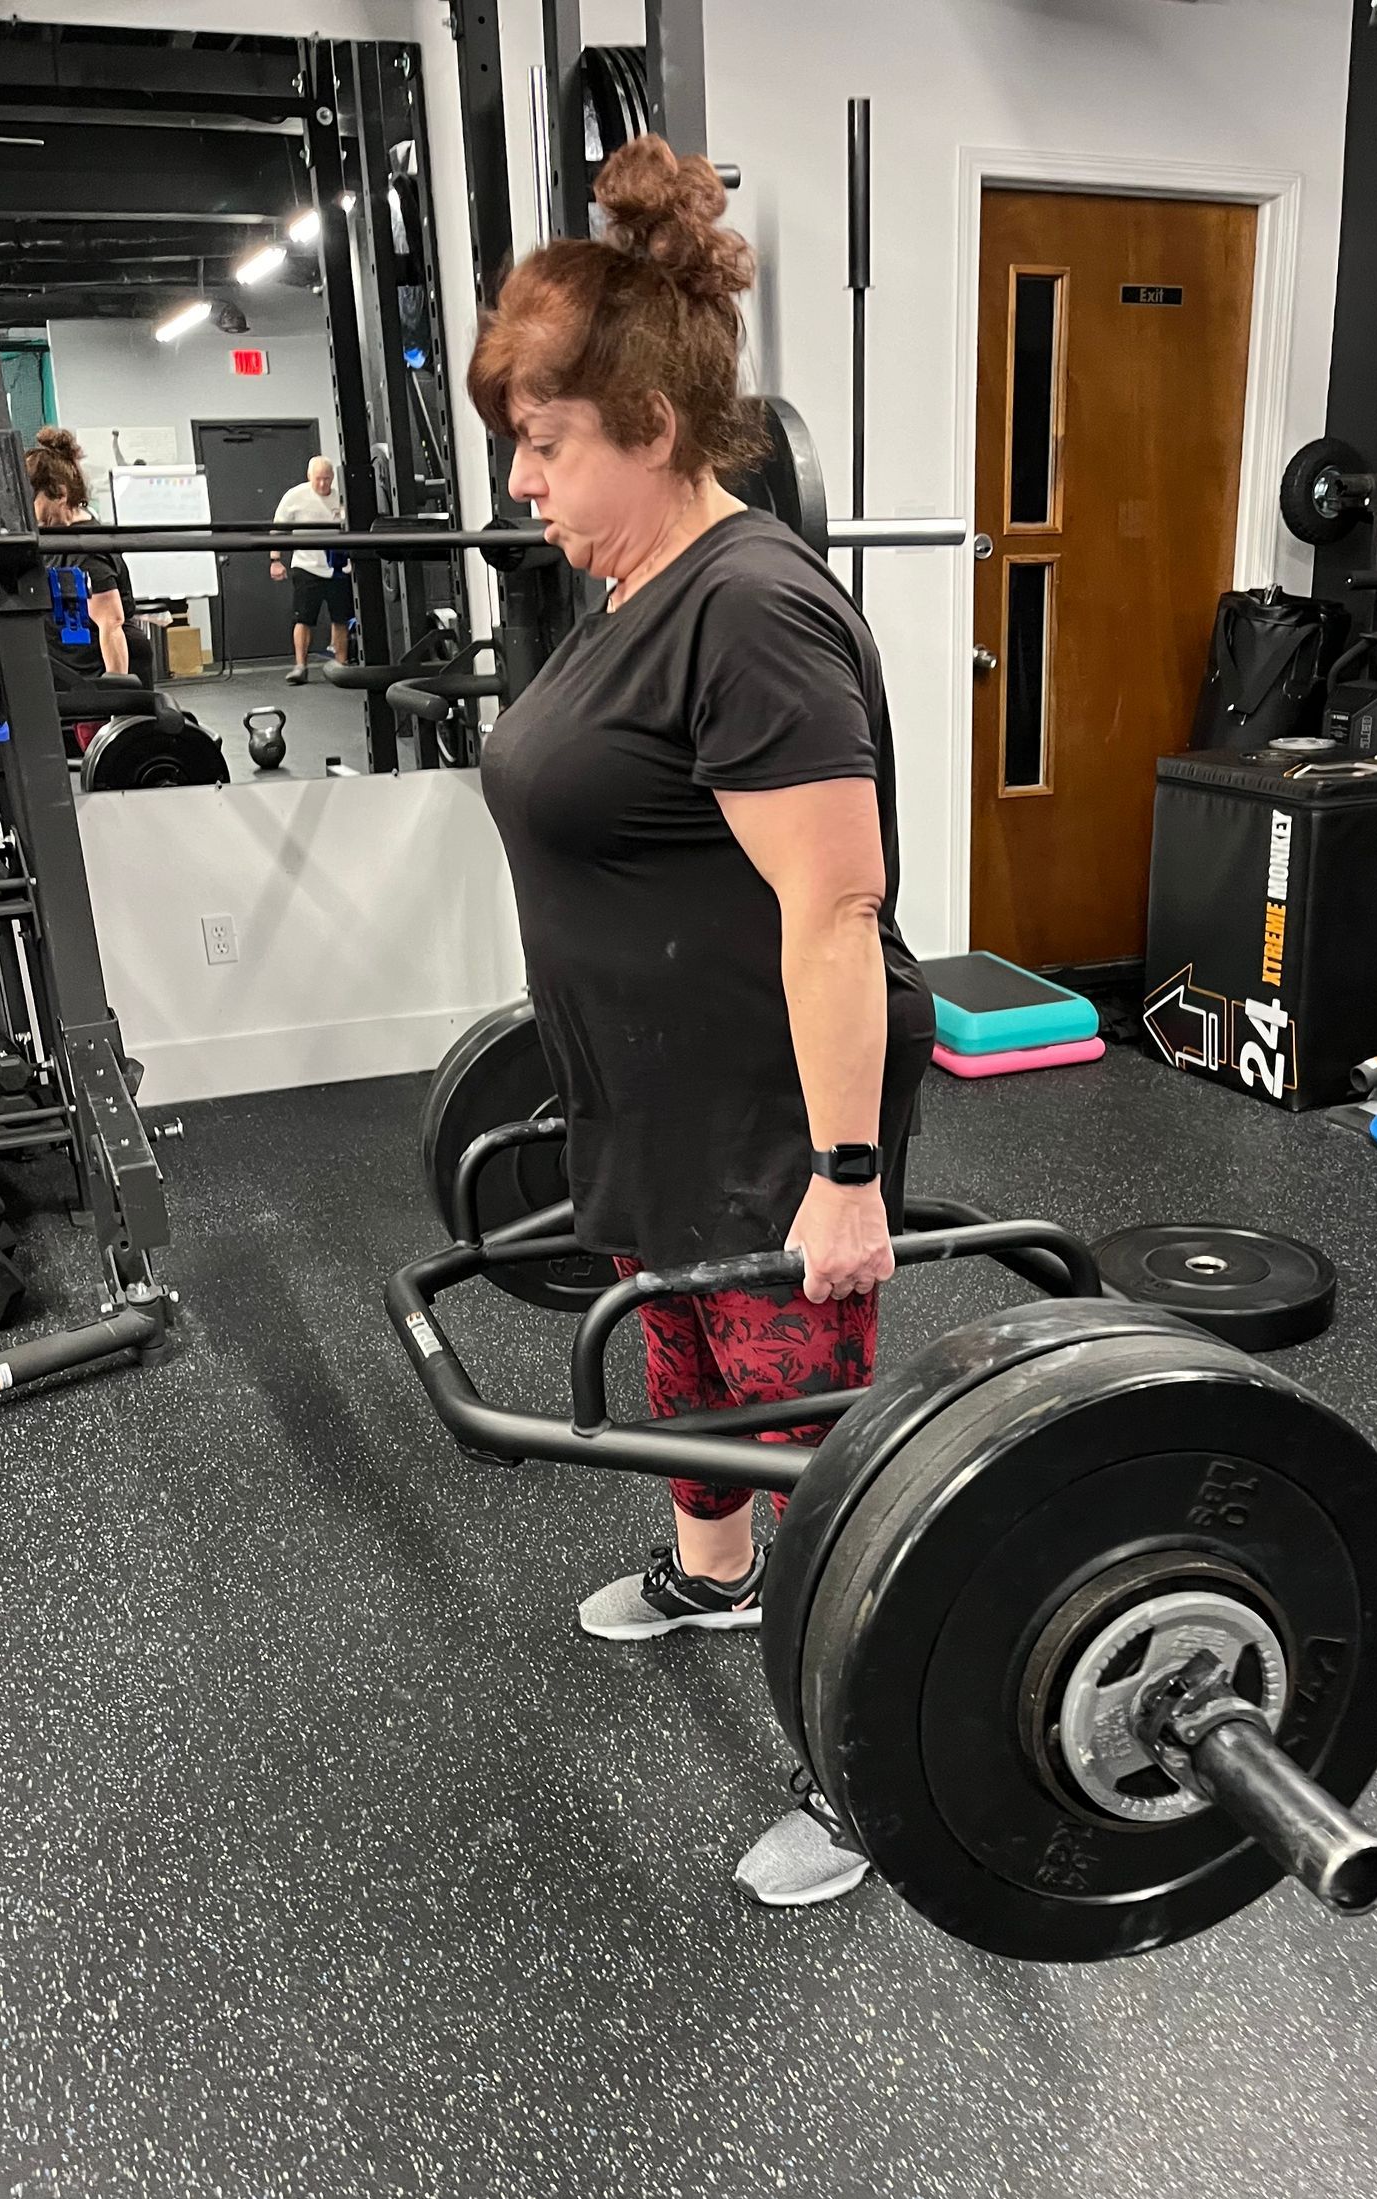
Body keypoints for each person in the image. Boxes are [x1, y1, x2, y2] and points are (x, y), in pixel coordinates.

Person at [467, 136, 936, 1911]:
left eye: (545, 442)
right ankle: (711, 1578)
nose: (522, 481)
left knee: (810, 1432)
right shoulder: (632, 588)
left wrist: (844, 1172)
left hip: (766, 1108)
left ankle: (872, 1754)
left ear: (655, 428)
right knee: (679, 1360)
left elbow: (833, 909)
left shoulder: (749, 611)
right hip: (651, 1093)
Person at [25, 435, 130, 748]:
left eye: (34, 502)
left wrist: (116, 707)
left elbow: (111, 623)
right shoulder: (52, 535)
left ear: (59, 493)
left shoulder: (87, 550)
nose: (31, 515)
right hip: (65, 680)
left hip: (90, 689)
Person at [269, 456, 352, 683]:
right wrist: (275, 559)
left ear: (333, 478)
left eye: (327, 479)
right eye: (318, 479)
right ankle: (300, 666)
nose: (323, 484)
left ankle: (342, 665)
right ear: (309, 477)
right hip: (306, 566)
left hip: (337, 566)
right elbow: (277, 529)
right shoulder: (295, 497)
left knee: (340, 618)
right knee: (303, 618)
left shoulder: (340, 498)